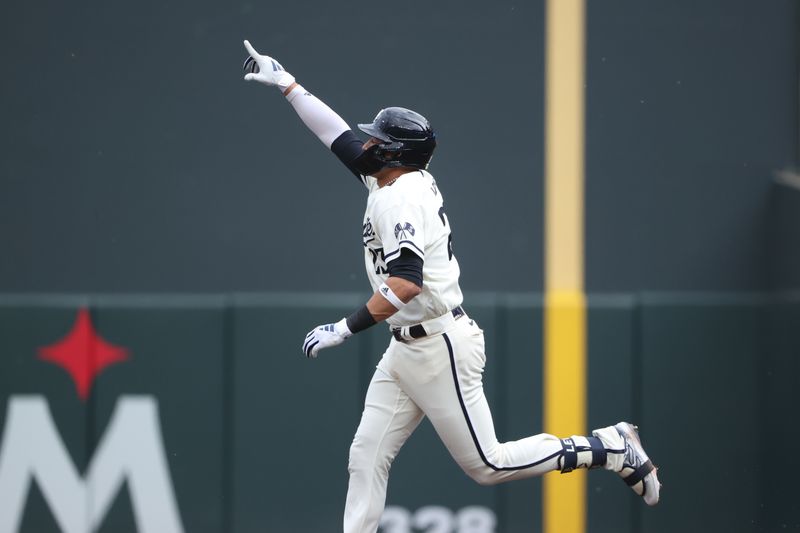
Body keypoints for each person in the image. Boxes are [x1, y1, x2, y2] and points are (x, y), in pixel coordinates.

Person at [242, 39, 661, 533]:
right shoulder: (391, 177)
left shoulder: (402, 198)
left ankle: (607, 447)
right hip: (407, 346)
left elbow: (405, 284)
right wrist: (289, 85)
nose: (368, 143)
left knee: (489, 465)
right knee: (366, 455)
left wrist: (343, 328)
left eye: (378, 140)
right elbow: (335, 135)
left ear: (395, 152)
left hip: (439, 344)